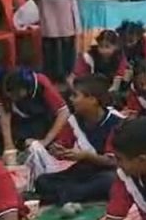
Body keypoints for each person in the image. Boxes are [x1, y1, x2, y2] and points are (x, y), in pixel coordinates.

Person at [34, 76, 123, 205]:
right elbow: (61, 144)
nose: (71, 99)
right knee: (42, 181)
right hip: (85, 169)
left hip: (109, 170)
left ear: (92, 100)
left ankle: (64, 195)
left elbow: (114, 161)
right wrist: (57, 151)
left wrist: (85, 155)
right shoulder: (74, 120)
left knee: (110, 181)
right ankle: (72, 194)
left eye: (75, 96)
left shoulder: (117, 122)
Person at [0, 68, 69, 156]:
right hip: (19, 119)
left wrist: (45, 141)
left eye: (15, 95)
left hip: (41, 121)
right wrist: (8, 145)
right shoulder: (5, 83)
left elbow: (63, 112)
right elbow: (5, 114)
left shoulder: (40, 82)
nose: (13, 98)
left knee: (25, 142)